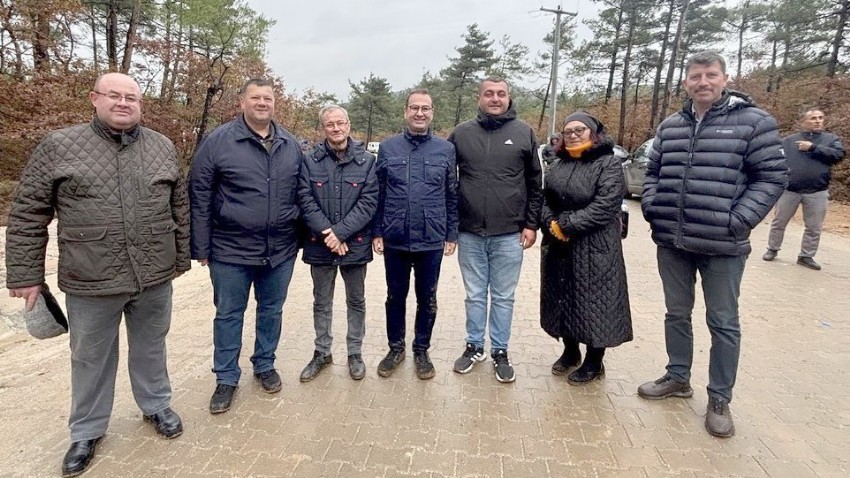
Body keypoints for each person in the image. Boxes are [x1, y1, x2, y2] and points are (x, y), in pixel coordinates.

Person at [5, 72, 190, 477]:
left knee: (151, 346)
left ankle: (156, 405)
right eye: (114, 95)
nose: (123, 103)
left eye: (132, 97)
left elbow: (180, 207)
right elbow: (28, 212)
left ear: (141, 104)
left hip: (153, 276)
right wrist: (25, 273)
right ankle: (87, 430)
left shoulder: (162, 147)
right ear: (94, 98)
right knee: (89, 356)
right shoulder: (58, 146)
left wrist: (180, 260)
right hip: (91, 279)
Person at [638, 51, 787, 438]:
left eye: (710, 75)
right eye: (695, 76)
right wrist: (653, 207)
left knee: (723, 322)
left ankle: (720, 398)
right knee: (676, 313)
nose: (702, 82)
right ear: (685, 81)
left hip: (723, 245)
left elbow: (772, 177)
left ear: (724, 78)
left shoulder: (754, 122)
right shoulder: (671, 125)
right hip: (673, 240)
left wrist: (737, 221)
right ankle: (677, 377)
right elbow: (652, 172)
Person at [189, 78, 303, 414]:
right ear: (242, 102)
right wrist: (201, 246)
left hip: (280, 250)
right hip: (230, 250)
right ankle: (226, 377)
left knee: (271, 310)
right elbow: (199, 193)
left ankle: (264, 365)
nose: (262, 103)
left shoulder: (290, 143)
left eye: (268, 98)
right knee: (228, 314)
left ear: (274, 103)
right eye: (256, 98)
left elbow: (303, 193)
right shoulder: (218, 142)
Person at [448, 77, 543, 383]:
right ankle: (475, 346)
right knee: (475, 294)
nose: (495, 98)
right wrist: (451, 226)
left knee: (503, 296)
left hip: (509, 232)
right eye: (489, 93)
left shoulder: (524, 132)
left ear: (508, 97)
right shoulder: (461, 134)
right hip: (470, 231)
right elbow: (448, 182)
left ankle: (500, 350)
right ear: (479, 98)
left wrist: (531, 224)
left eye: (501, 94)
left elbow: (535, 183)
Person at [540, 112, 633, 385]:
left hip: (596, 246)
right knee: (563, 298)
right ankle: (570, 352)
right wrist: (550, 222)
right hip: (560, 246)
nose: (573, 135)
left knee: (595, 304)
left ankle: (595, 361)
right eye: (567, 131)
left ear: (593, 133)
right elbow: (544, 199)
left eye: (579, 129)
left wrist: (566, 225)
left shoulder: (608, 164)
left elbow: (606, 205)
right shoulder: (558, 164)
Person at [372, 89, 458, 380]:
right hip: (395, 236)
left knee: (427, 298)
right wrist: (377, 231)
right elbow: (378, 193)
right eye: (414, 108)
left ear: (433, 112)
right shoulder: (388, 148)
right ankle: (395, 348)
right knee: (395, 297)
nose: (420, 113)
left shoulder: (445, 150)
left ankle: (421, 349)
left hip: (431, 237)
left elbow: (451, 194)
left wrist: (451, 234)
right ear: (405, 112)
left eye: (425, 108)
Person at [296, 105, 378, 382]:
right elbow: (305, 200)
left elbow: (369, 203)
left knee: (356, 301)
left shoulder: (367, 161)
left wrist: (340, 233)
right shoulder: (310, 161)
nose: (336, 128)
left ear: (349, 125)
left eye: (341, 123)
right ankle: (322, 352)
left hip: (355, 243)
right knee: (322, 301)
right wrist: (328, 234)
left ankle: (355, 353)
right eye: (330, 124)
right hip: (319, 244)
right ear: (323, 128)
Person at [763, 108, 845, 270]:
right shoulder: (789, 141)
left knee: (814, 227)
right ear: (804, 122)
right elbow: (775, 160)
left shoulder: (831, 140)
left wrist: (813, 148)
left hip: (817, 191)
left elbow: (839, 155)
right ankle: (772, 249)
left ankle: (806, 256)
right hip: (790, 190)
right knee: (779, 222)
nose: (818, 121)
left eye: (821, 117)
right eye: (813, 118)